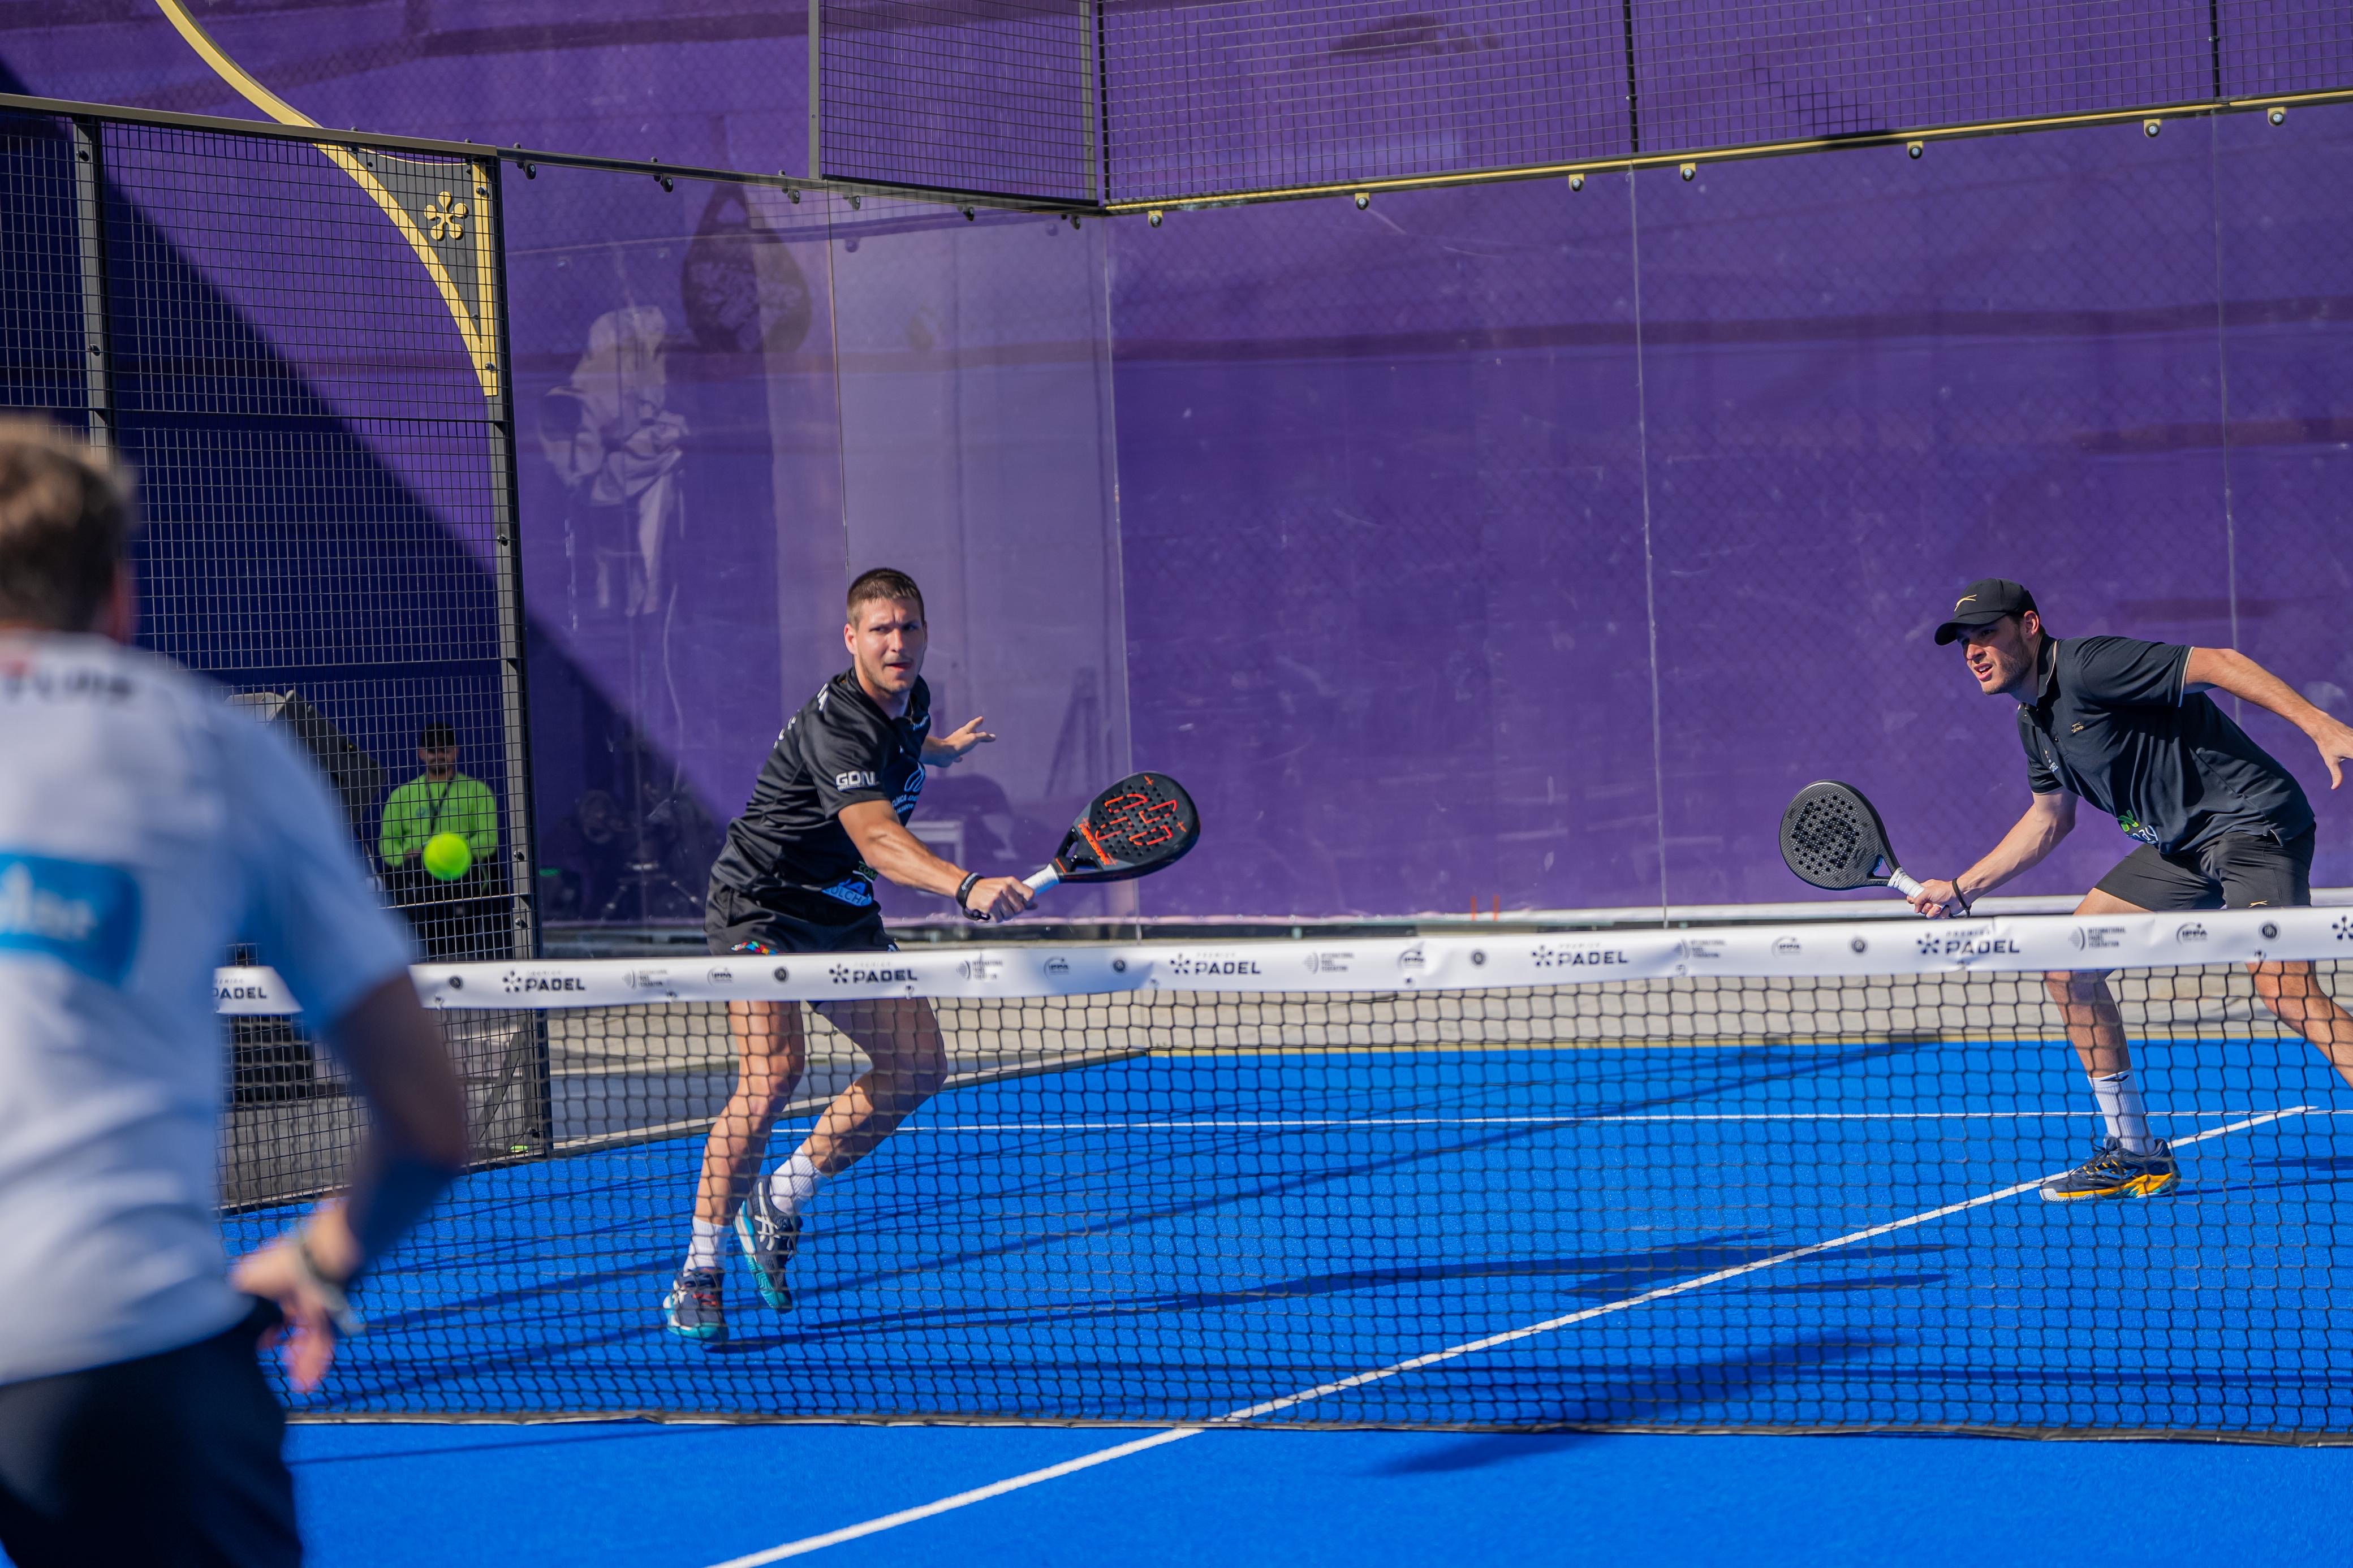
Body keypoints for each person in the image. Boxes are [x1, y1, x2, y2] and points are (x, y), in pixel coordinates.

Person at [0, 420, 468, 1567]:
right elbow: (428, 1124)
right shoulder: (213, 746)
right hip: (119, 1357)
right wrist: (319, 1256)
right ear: (119, 595)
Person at [664, 568, 1032, 1344]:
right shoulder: (836, 725)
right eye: (880, 630)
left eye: (909, 627)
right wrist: (965, 885)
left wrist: (944, 751)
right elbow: (877, 838)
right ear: (850, 638)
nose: (897, 642)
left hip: (840, 911)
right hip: (761, 904)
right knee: (773, 1073)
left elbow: (907, 742)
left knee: (919, 1065)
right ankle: (698, 1273)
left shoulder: (913, 697)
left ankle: (780, 1199)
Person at [1909, 578, 2353, 1201]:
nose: (1974, 651)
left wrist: (2319, 724)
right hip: (2181, 848)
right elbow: (2048, 820)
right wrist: (1962, 888)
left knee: (2284, 988)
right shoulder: (2033, 722)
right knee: (2070, 967)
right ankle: (2136, 1152)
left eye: (1987, 633)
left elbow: (2221, 663)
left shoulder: (2091, 666)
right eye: (1964, 642)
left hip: (2250, 824)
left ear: (2029, 626)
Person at [379, 722, 503, 958]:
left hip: (462, 874)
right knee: (404, 881)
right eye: (432, 751)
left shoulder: (478, 791)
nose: (438, 756)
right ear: (421, 754)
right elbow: (387, 842)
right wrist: (404, 855)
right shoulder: (401, 795)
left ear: (455, 752)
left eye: (444, 750)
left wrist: (456, 850)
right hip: (416, 875)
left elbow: (488, 839)